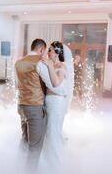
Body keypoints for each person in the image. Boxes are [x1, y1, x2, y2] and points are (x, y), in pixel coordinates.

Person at [15, 39, 66, 173]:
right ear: (42, 49)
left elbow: (17, 85)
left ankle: (17, 166)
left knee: (25, 140)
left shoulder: (18, 62)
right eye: (46, 50)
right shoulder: (39, 63)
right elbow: (51, 84)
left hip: (21, 106)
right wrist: (62, 93)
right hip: (34, 107)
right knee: (35, 147)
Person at [40, 41, 74, 173]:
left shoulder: (61, 67)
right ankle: (48, 164)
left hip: (56, 103)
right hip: (49, 101)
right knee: (49, 133)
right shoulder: (51, 64)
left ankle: (55, 167)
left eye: (51, 50)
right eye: (49, 49)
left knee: (53, 134)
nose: (49, 52)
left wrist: (48, 65)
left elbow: (56, 83)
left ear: (58, 53)